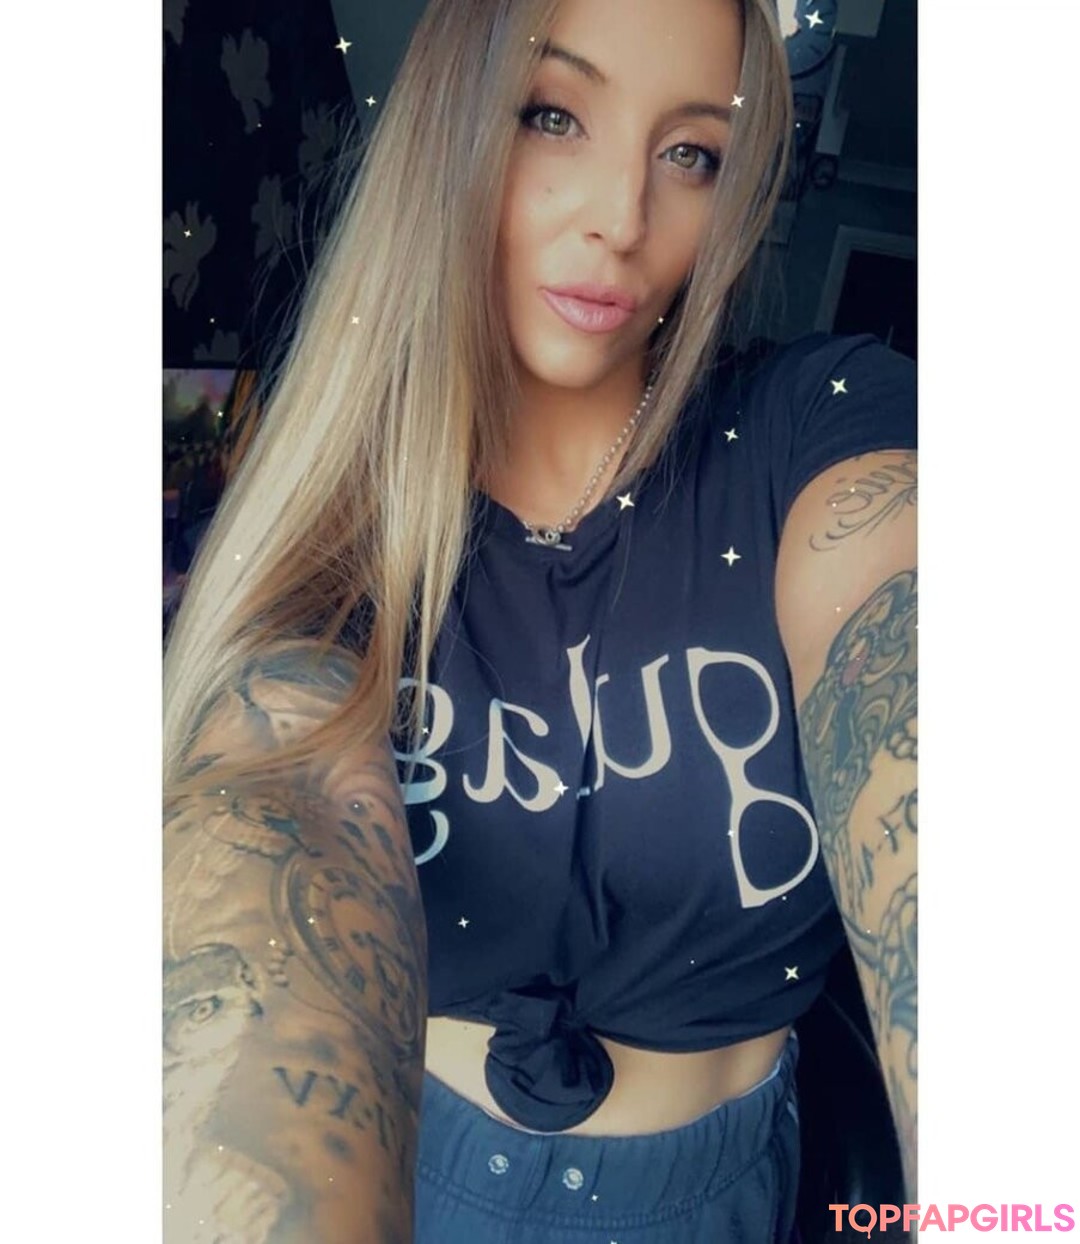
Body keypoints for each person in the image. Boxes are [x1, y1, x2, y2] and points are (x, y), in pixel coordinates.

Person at [162, 0, 917, 1240]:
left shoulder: (817, 430)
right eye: (554, 115)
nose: (623, 216)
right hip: (410, 1173)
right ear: (454, 127)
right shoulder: (343, 533)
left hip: (717, 1199)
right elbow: (276, 818)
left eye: (692, 153)